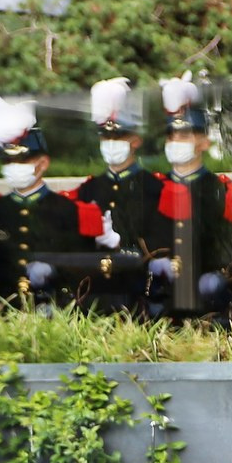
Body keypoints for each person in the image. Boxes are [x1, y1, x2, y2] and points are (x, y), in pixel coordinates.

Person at [0, 95, 114, 309]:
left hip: (54, 306)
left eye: (22, 160)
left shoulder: (68, 210)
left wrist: (55, 270)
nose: (13, 166)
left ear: (43, 163)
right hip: (5, 307)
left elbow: (83, 268)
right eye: (8, 160)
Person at [151, 75, 232, 319]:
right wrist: (151, 263)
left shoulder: (222, 190)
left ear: (203, 142)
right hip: (162, 305)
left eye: (184, 136)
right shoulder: (153, 189)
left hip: (209, 303)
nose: (175, 142)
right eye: (171, 136)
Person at [68, 78, 160, 316]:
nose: (110, 144)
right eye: (105, 138)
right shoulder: (89, 189)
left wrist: (124, 244)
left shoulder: (153, 187)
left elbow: (161, 243)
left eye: (117, 138)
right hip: (97, 291)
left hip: (140, 290)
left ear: (135, 140)